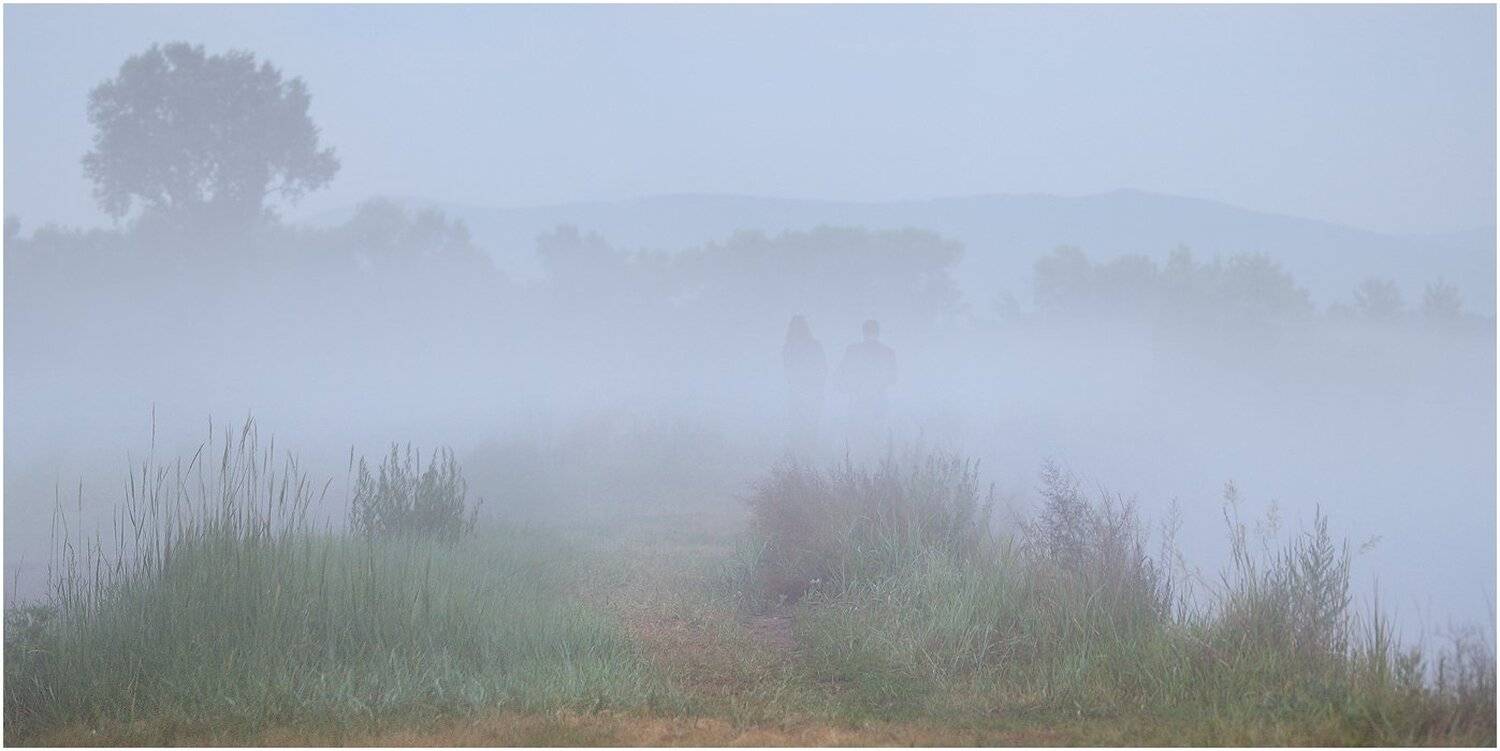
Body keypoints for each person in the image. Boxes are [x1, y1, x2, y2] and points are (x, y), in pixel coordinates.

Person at [837, 319, 897, 452]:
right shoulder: (887, 352)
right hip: (877, 399)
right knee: (876, 433)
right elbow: (894, 378)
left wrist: (850, 387)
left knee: (859, 434)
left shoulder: (853, 350)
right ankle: (873, 461)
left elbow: (842, 373)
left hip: (860, 399)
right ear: (878, 332)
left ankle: (860, 462)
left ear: (863, 332)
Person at [782, 315, 827, 457]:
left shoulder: (788, 347)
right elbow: (823, 368)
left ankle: (797, 457)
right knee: (812, 425)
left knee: (797, 424)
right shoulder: (816, 345)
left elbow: (787, 369)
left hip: (796, 392)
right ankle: (810, 455)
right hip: (813, 392)